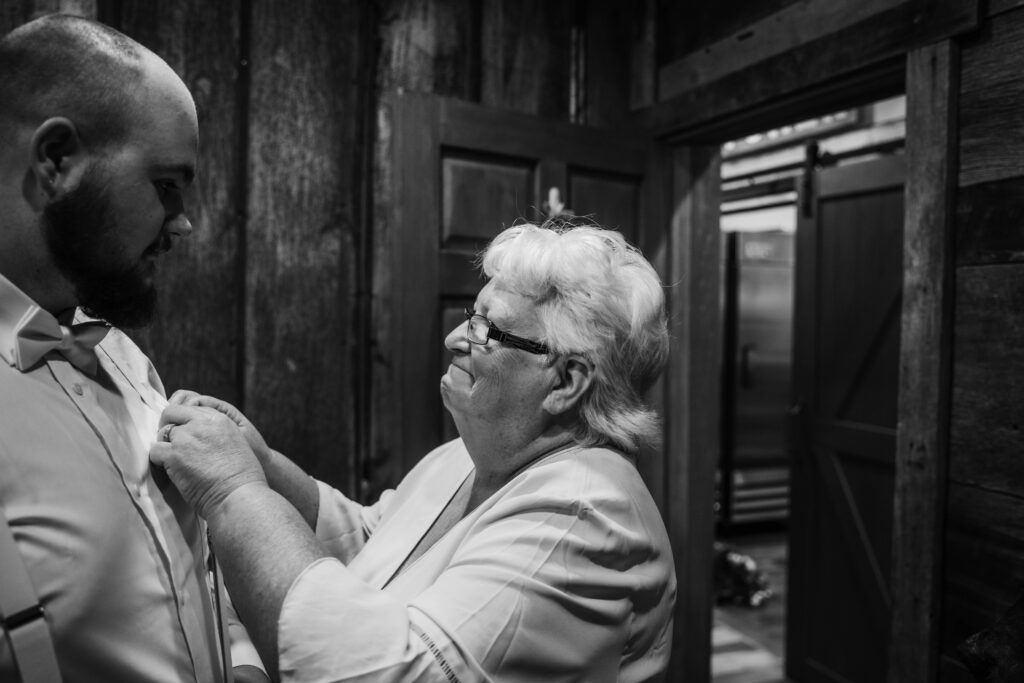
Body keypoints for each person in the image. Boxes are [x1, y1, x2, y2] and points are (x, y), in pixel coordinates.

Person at [153, 221, 676, 682]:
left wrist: (233, 490)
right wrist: (263, 465)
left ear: (566, 380)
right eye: (471, 315)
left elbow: (390, 674)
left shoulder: (581, 519)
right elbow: (371, 542)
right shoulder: (471, 455)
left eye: (487, 329)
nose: (454, 338)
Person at [0, 14, 267, 682]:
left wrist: (239, 662)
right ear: (56, 160)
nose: (184, 223)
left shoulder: (124, 358)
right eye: (165, 185)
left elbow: (189, 578)